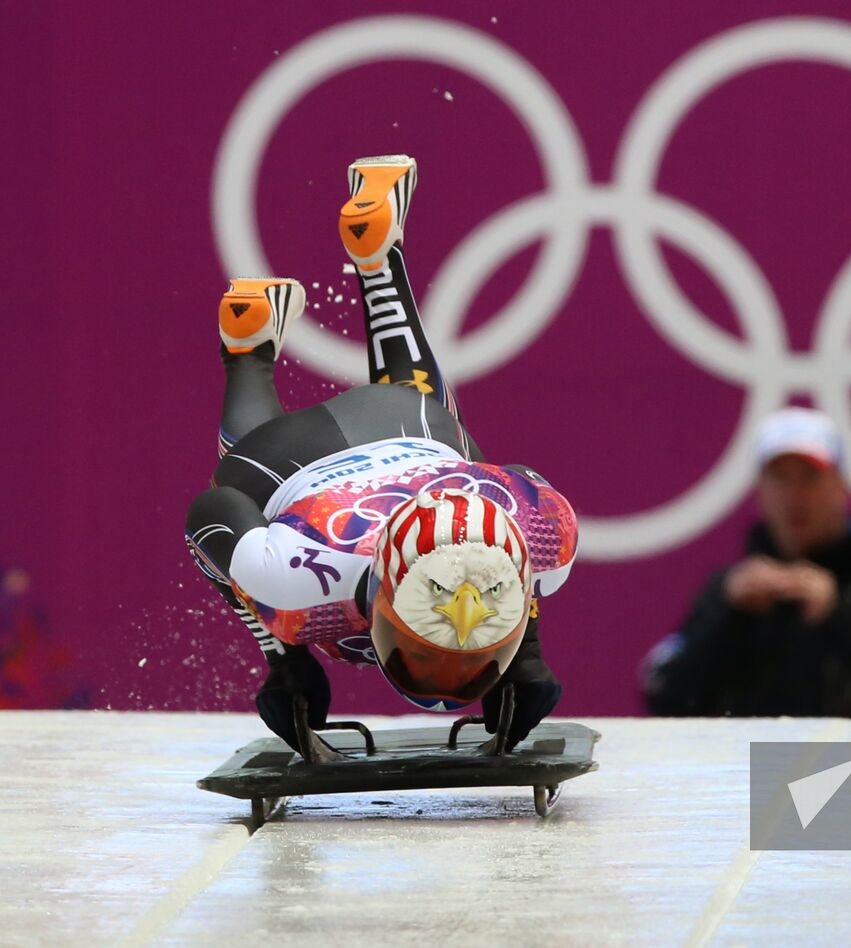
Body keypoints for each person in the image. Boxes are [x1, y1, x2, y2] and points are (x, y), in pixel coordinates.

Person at [185, 155, 577, 754]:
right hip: (296, 464)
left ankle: (368, 268)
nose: (447, 670)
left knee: (457, 458)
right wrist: (280, 651)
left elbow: (515, 480)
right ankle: (246, 347)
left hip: (400, 424)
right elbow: (212, 512)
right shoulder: (296, 575)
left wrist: (285, 660)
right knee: (249, 504)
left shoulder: (546, 543)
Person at [641, 408, 851, 716]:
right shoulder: (731, 590)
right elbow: (660, 689)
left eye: (810, 476)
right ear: (760, 491)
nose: (794, 495)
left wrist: (839, 617)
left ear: (841, 486)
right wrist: (730, 617)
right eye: (780, 477)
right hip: (752, 760)